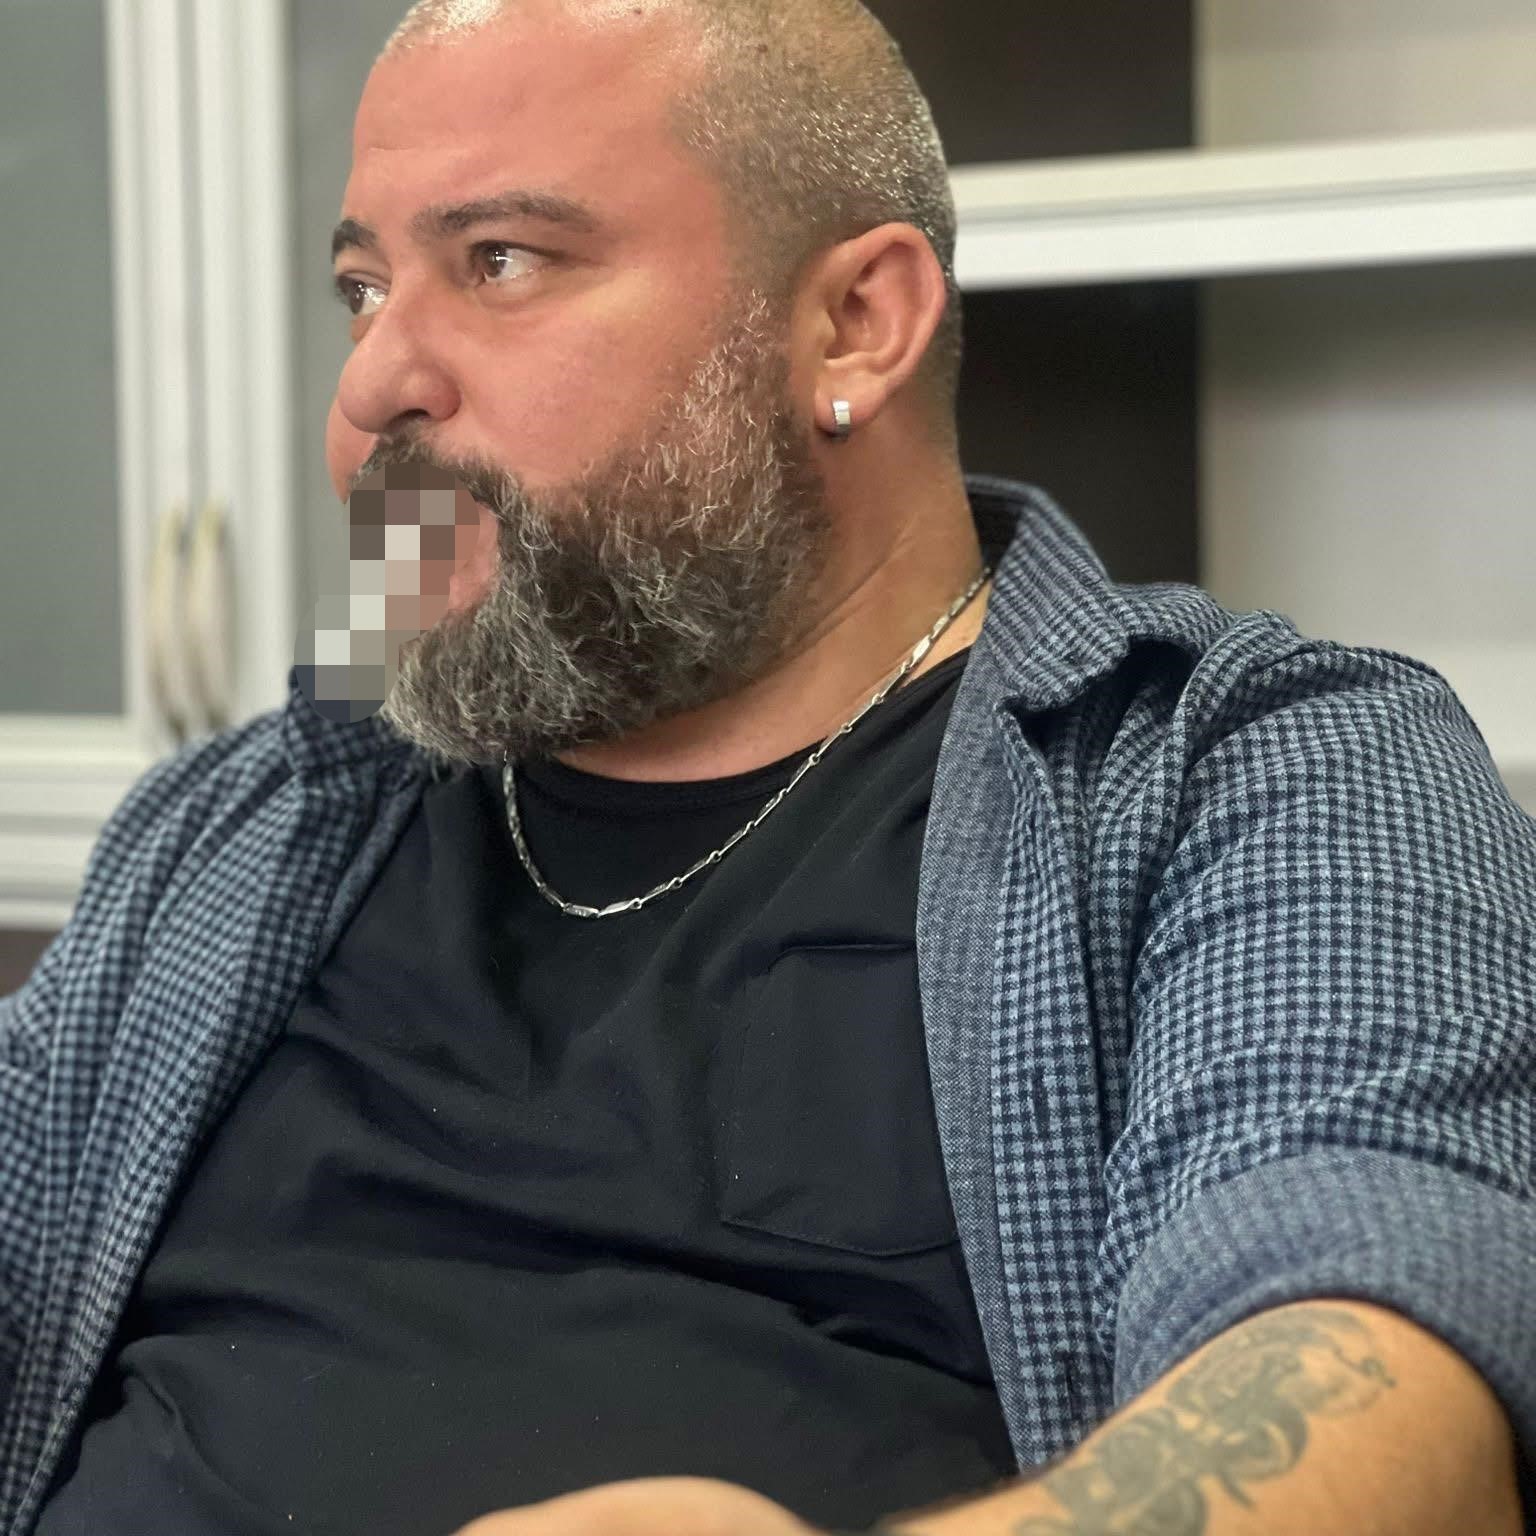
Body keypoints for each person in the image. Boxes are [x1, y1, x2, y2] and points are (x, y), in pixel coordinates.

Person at [3, 1, 1532, 1533]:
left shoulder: (1255, 778)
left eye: (502, 262)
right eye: (362, 288)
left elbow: (1386, 1412)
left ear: (855, 323)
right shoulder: (250, 818)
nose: (370, 388)